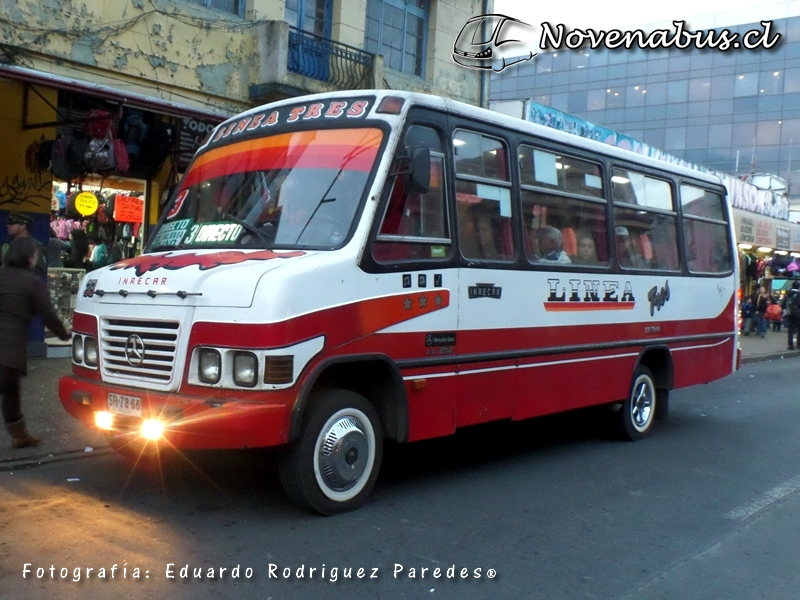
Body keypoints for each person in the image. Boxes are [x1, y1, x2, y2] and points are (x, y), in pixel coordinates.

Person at [0, 236, 71, 448]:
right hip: (9, 351)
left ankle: (20, 437)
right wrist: (64, 334)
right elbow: (47, 314)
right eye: (35, 255)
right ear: (29, 257)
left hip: (8, 352)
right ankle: (20, 436)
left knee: (11, 393)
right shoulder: (32, 283)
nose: (36, 258)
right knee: (10, 392)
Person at [3, 211, 46, 277]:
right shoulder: (6, 245)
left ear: (23, 225)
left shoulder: (35, 246)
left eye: (12, 223)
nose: (8, 226)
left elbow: (39, 271)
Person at [783, 280, 800, 349]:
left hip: (789, 313)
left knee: (790, 330)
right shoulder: (798, 294)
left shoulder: (788, 293)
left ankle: (790, 345)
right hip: (798, 314)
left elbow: (783, 303)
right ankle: (798, 344)